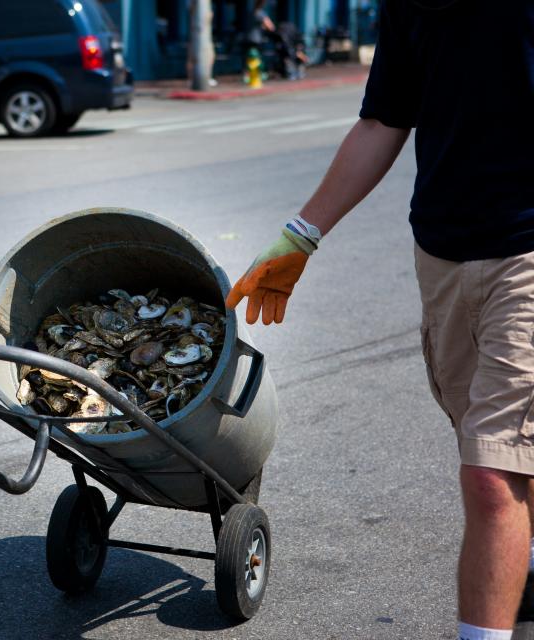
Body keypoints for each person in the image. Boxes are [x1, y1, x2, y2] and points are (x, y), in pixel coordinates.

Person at [225, 1, 534, 638]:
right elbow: (384, 119)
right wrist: (299, 237)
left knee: (492, 472)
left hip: (527, 253)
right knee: (497, 452)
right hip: (444, 252)